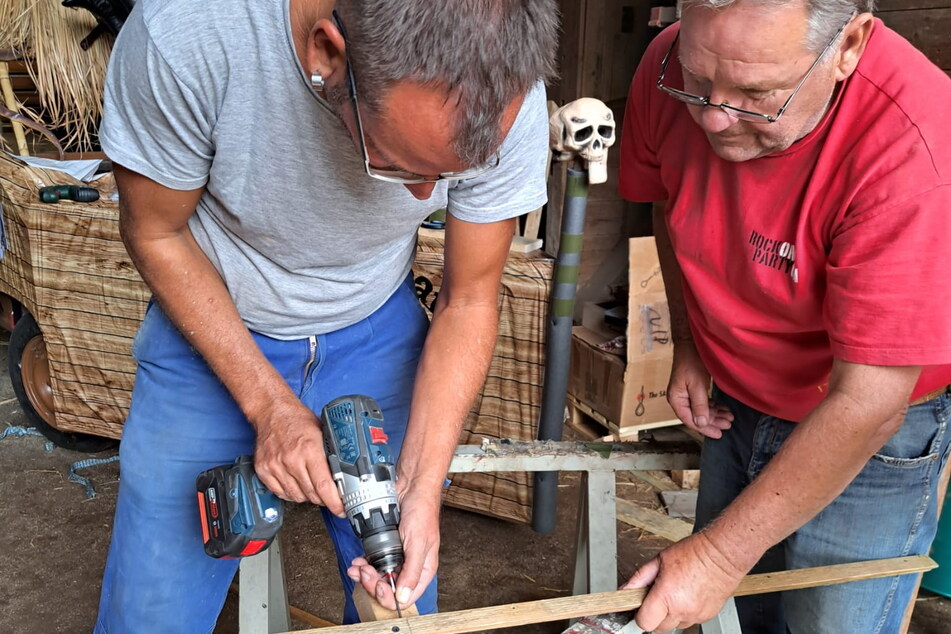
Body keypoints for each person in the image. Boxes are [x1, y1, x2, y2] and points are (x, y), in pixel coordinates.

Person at [93, 0, 558, 631]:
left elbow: (469, 296)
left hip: (376, 324)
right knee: (151, 612)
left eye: (449, 178)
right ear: (327, 53)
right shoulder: (188, 32)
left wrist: (422, 486)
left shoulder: (507, 83)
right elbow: (155, 231)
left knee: (400, 602)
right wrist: (269, 408)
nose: (426, 199)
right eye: (397, 166)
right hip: (214, 323)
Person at [618, 1, 951, 631]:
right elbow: (665, 200)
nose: (713, 118)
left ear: (848, 45)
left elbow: (870, 400)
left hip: (870, 427)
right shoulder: (670, 63)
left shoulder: (919, 144)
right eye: (697, 81)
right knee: (749, 617)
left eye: (754, 93)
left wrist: (718, 556)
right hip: (737, 399)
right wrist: (688, 340)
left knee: (831, 623)